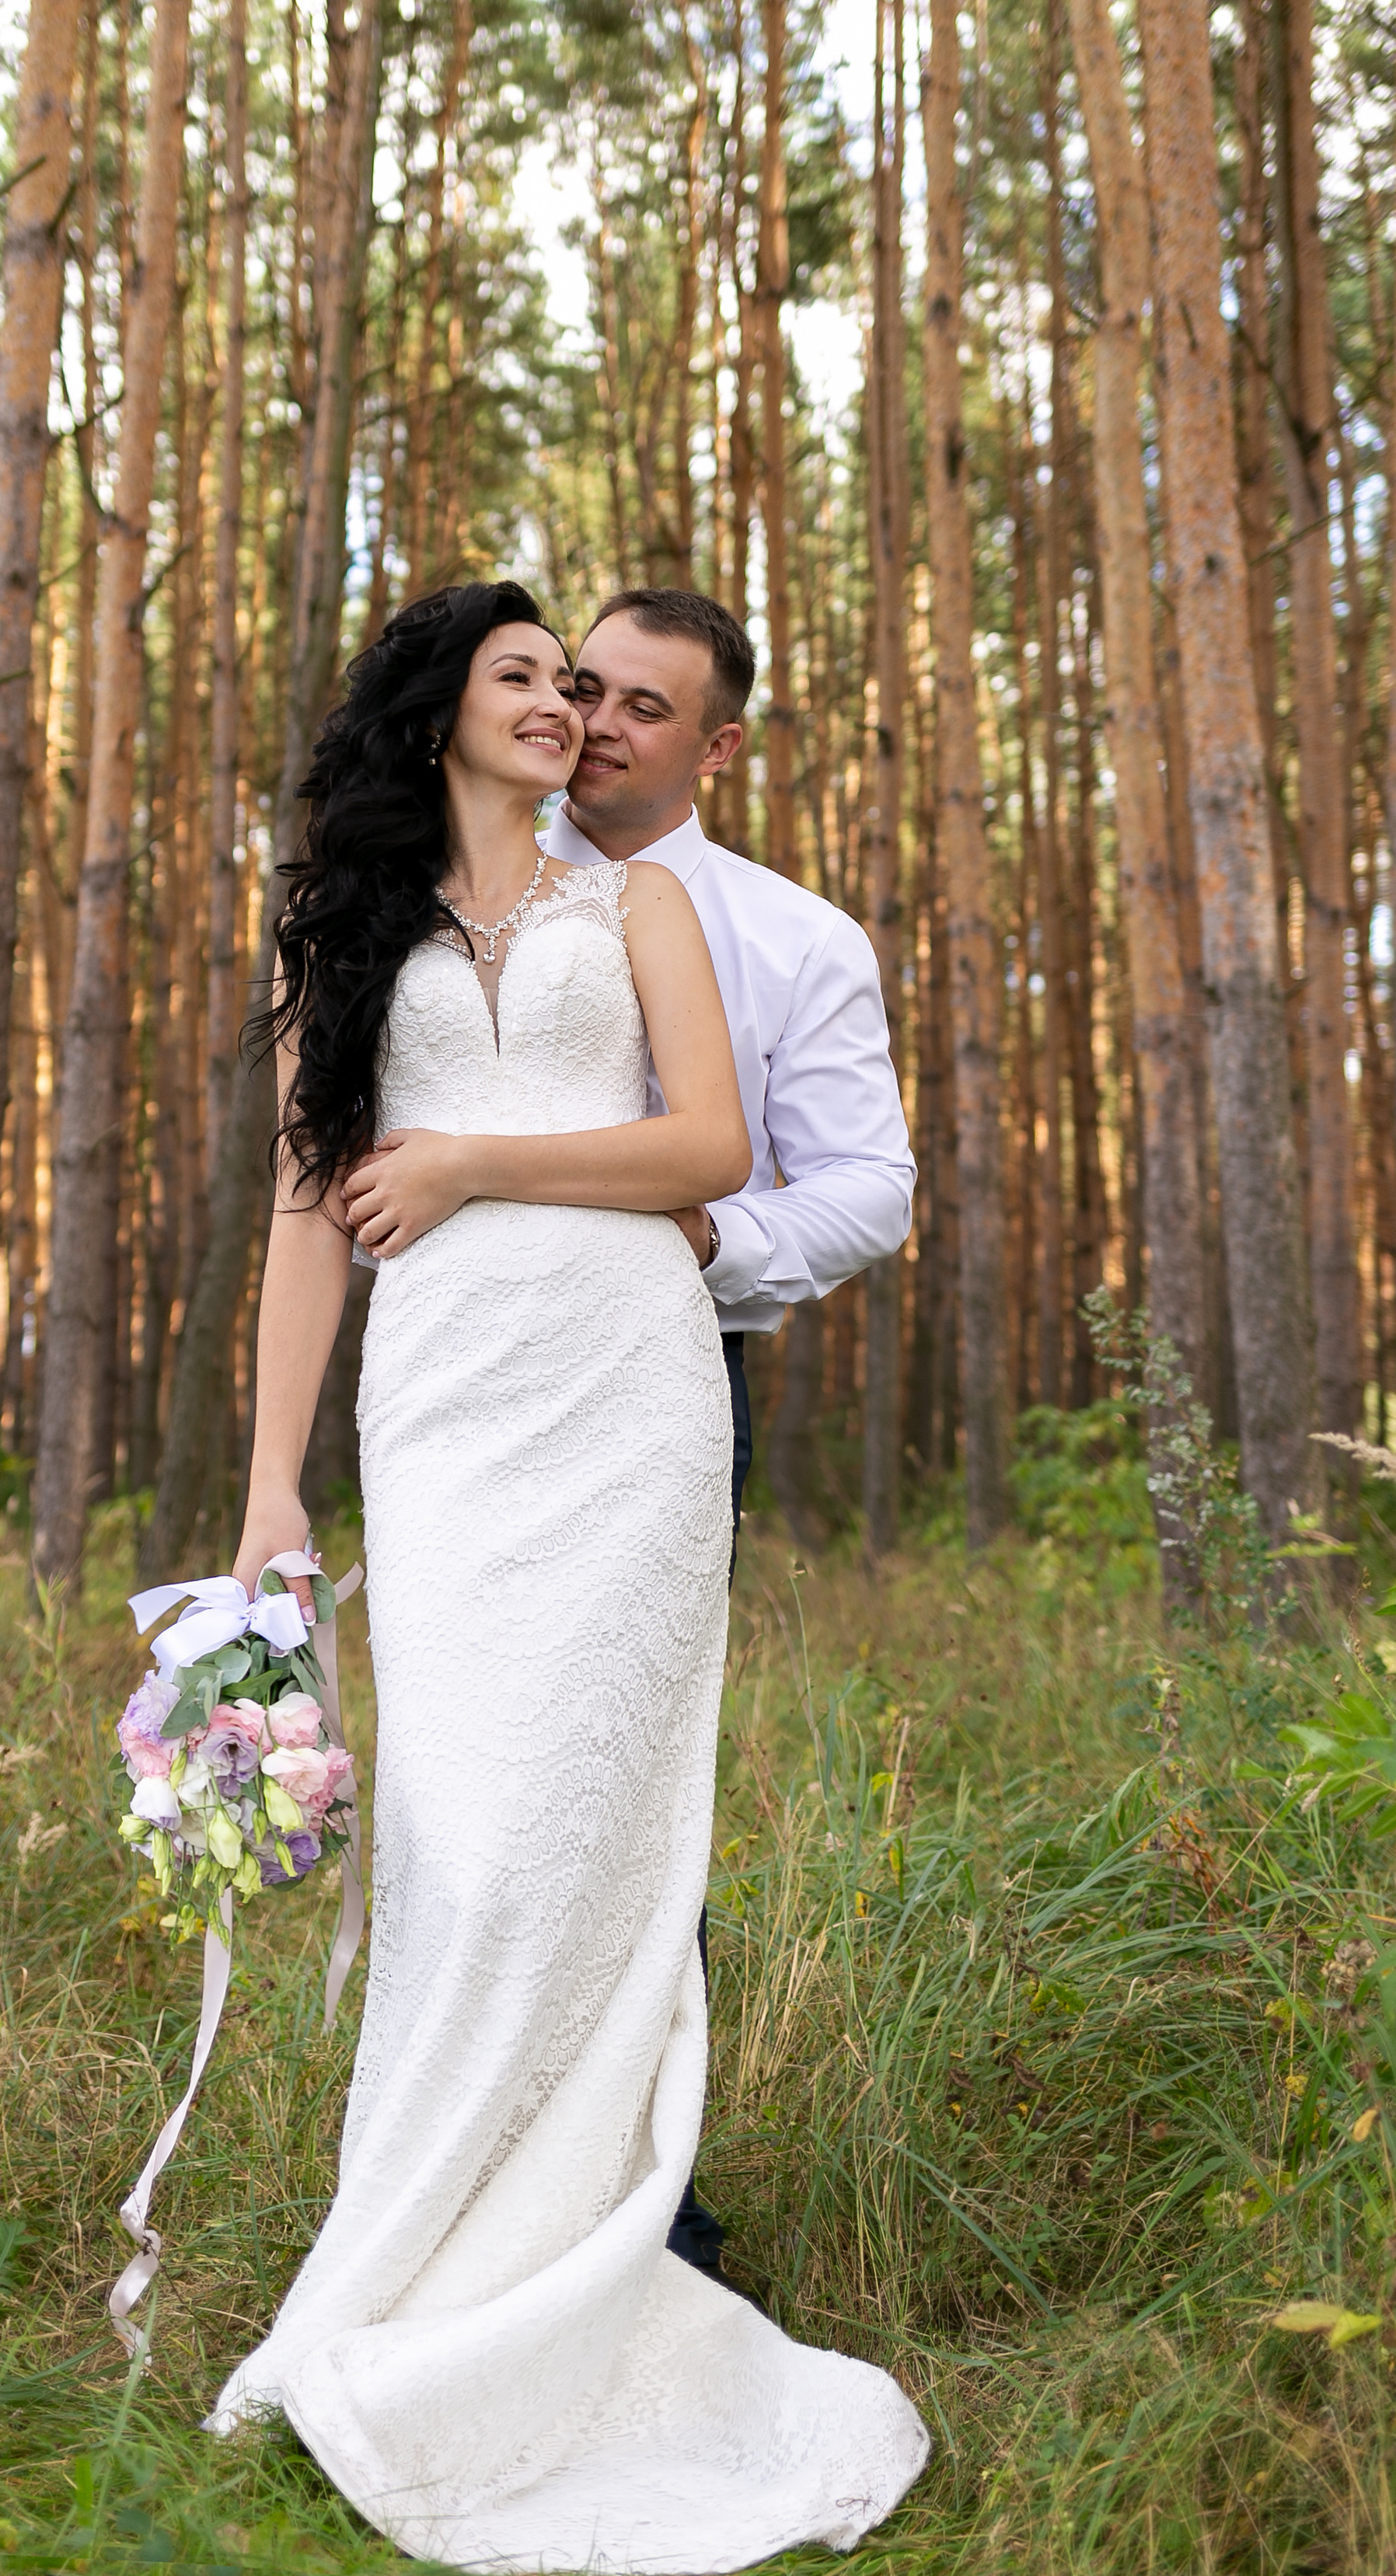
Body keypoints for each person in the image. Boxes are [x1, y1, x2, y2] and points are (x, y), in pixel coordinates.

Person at [210, 580, 928, 2574]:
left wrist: (467, 1167)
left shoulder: (668, 913)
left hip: (627, 1397)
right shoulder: (350, 927)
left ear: (697, 737)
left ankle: (601, 2246)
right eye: (535, 680)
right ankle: (424, 2264)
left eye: (605, 695)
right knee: (465, 1837)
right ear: (440, 708)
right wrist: (273, 1481)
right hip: (442, 1413)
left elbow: (712, 1147)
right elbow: (303, 1214)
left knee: (589, 1842)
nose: (573, 717)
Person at [543, 584, 916, 2274]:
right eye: (581, 686)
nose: (597, 723)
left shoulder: (792, 938)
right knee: (482, 1785)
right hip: (461, 1379)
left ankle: (646, 2213)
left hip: (673, 1384)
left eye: (641, 705)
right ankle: (459, 2177)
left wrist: (709, 1238)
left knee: (626, 1786)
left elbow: (869, 1190)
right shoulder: (451, 882)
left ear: (714, 745)